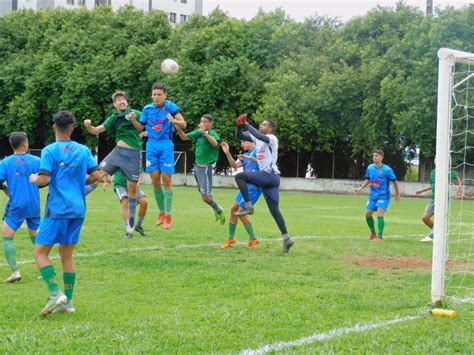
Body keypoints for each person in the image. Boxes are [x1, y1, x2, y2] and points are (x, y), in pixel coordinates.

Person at [30, 110, 101, 316]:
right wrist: (80, 181)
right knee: (66, 255)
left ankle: (55, 293)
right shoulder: (83, 149)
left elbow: (43, 180)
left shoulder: (50, 150)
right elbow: (96, 175)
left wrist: (34, 178)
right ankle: (68, 302)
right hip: (78, 209)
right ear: (72, 128)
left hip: (58, 209)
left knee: (40, 252)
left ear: (54, 126)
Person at [84, 91, 142, 238]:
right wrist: (88, 126)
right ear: (115, 104)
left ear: (127, 102)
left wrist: (134, 120)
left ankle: (130, 226)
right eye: (118, 100)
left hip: (133, 155)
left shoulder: (135, 113)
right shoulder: (113, 118)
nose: (122, 101)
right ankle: (77, 191)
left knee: (132, 189)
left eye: (124, 99)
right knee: (97, 175)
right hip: (117, 153)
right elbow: (96, 130)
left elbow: (141, 128)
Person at [129, 83, 186, 230]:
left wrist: (174, 121)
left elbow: (183, 123)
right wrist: (134, 119)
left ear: (165, 95)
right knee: (155, 180)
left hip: (166, 144)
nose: (156, 97)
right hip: (151, 145)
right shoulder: (147, 109)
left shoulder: (170, 107)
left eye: (159, 94)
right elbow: (140, 128)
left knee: (166, 179)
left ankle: (168, 215)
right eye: (154, 94)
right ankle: (161, 212)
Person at [234, 114, 294, 253]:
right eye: (261, 124)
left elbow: (261, 137)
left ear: (271, 129)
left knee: (240, 177)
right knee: (274, 210)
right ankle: (287, 239)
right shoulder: (256, 137)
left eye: (265, 124)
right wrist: (239, 125)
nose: (261, 125)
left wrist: (247, 124)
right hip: (271, 181)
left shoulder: (272, 138)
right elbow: (239, 136)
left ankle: (248, 206)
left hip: (269, 176)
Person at [0, 132, 41, 283]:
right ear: (25, 144)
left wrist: (5, 189)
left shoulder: (6, 162)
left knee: (6, 236)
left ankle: (15, 272)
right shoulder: (37, 160)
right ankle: (45, 270)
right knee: (37, 238)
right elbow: (46, 179)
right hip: (34, 204)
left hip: (17, 204)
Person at [176, 114, 225, 225]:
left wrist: (205, 133)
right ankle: (216, 208)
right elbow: (184, 137)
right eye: (202, 121)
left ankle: (219, 210)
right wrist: (178, 127)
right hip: (197, 167)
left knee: (205, 197)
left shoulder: (212, 134)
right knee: (204, 195)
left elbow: (215, 143)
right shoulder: (198, 133)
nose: (203, 124)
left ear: (211, 123)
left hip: (206, 169)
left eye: (205, 122)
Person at [221, 140, 262, 249]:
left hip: (255, 188)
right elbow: (234, 165)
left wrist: (251, 159)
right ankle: (230, 238)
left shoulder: (258, 151)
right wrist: (227, 153)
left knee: (241, 212)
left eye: (244, 142)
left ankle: (254, 238)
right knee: (233, 209)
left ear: (251, 141)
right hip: (245, 187)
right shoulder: (245, 155)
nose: (242, 144)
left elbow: (265, 162)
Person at [354, 150, 400, 241]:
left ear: (381, 157)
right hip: (373, 195)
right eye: (373, 156)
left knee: (380, 213)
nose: (374, 157)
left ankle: (379, 237)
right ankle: (373, 234)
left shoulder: (387, 170)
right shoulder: (370, 167)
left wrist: (397, 194)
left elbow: (395, 181)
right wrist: (361, 188)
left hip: (384, 195)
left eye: (376, 156)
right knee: (367, 214)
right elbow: (368, 179)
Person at [415, 158, 463, 242]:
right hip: (434, 199)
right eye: (435, 159)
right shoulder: (433, 172)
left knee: (439, 217)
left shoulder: (446, 171)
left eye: (438, 159)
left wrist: (460, 190)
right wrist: (421, 191)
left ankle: (433, 235)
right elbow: (432, 185)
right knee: (425, 218)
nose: (436, 160)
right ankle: (439, 232)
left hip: (443, 199)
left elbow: (457, 178)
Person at [112, 169, 148, 238]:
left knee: (144, 202)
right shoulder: (117, 158)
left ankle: (138, 226)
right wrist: (105, 181)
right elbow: (107, 168)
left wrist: (138, 182)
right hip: (120, 186)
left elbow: (140, 172)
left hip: (133, 185)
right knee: (125, 204)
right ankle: (128, 230)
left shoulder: (136, 159)